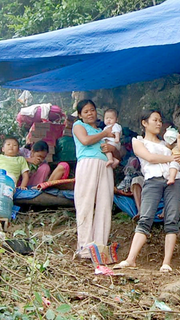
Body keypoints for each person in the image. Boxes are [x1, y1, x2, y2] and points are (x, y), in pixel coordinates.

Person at [114, 109, 180, 272]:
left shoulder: (166, 144)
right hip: (152, 179)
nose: (159, 123)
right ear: (144, 123)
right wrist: (172, 158)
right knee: (145, 217)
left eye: (160, 121)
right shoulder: (138, 141)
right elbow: (150, 158)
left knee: (172, 219)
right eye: (155, 120)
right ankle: (131, 259)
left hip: (174, 179)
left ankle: (166, 263)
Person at [72, 99, 115, 259]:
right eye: (86, 111)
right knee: (85, 203)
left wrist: (111, 148)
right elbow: (85, 140)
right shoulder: (79, 126)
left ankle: (100, 248)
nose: (90, 113)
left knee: (105, 204)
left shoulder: (100, 130)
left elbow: (116, 152)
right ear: (80, 115)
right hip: (87, 163)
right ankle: (84, 247)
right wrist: (104, 134)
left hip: (105, 165)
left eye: (92, 110)